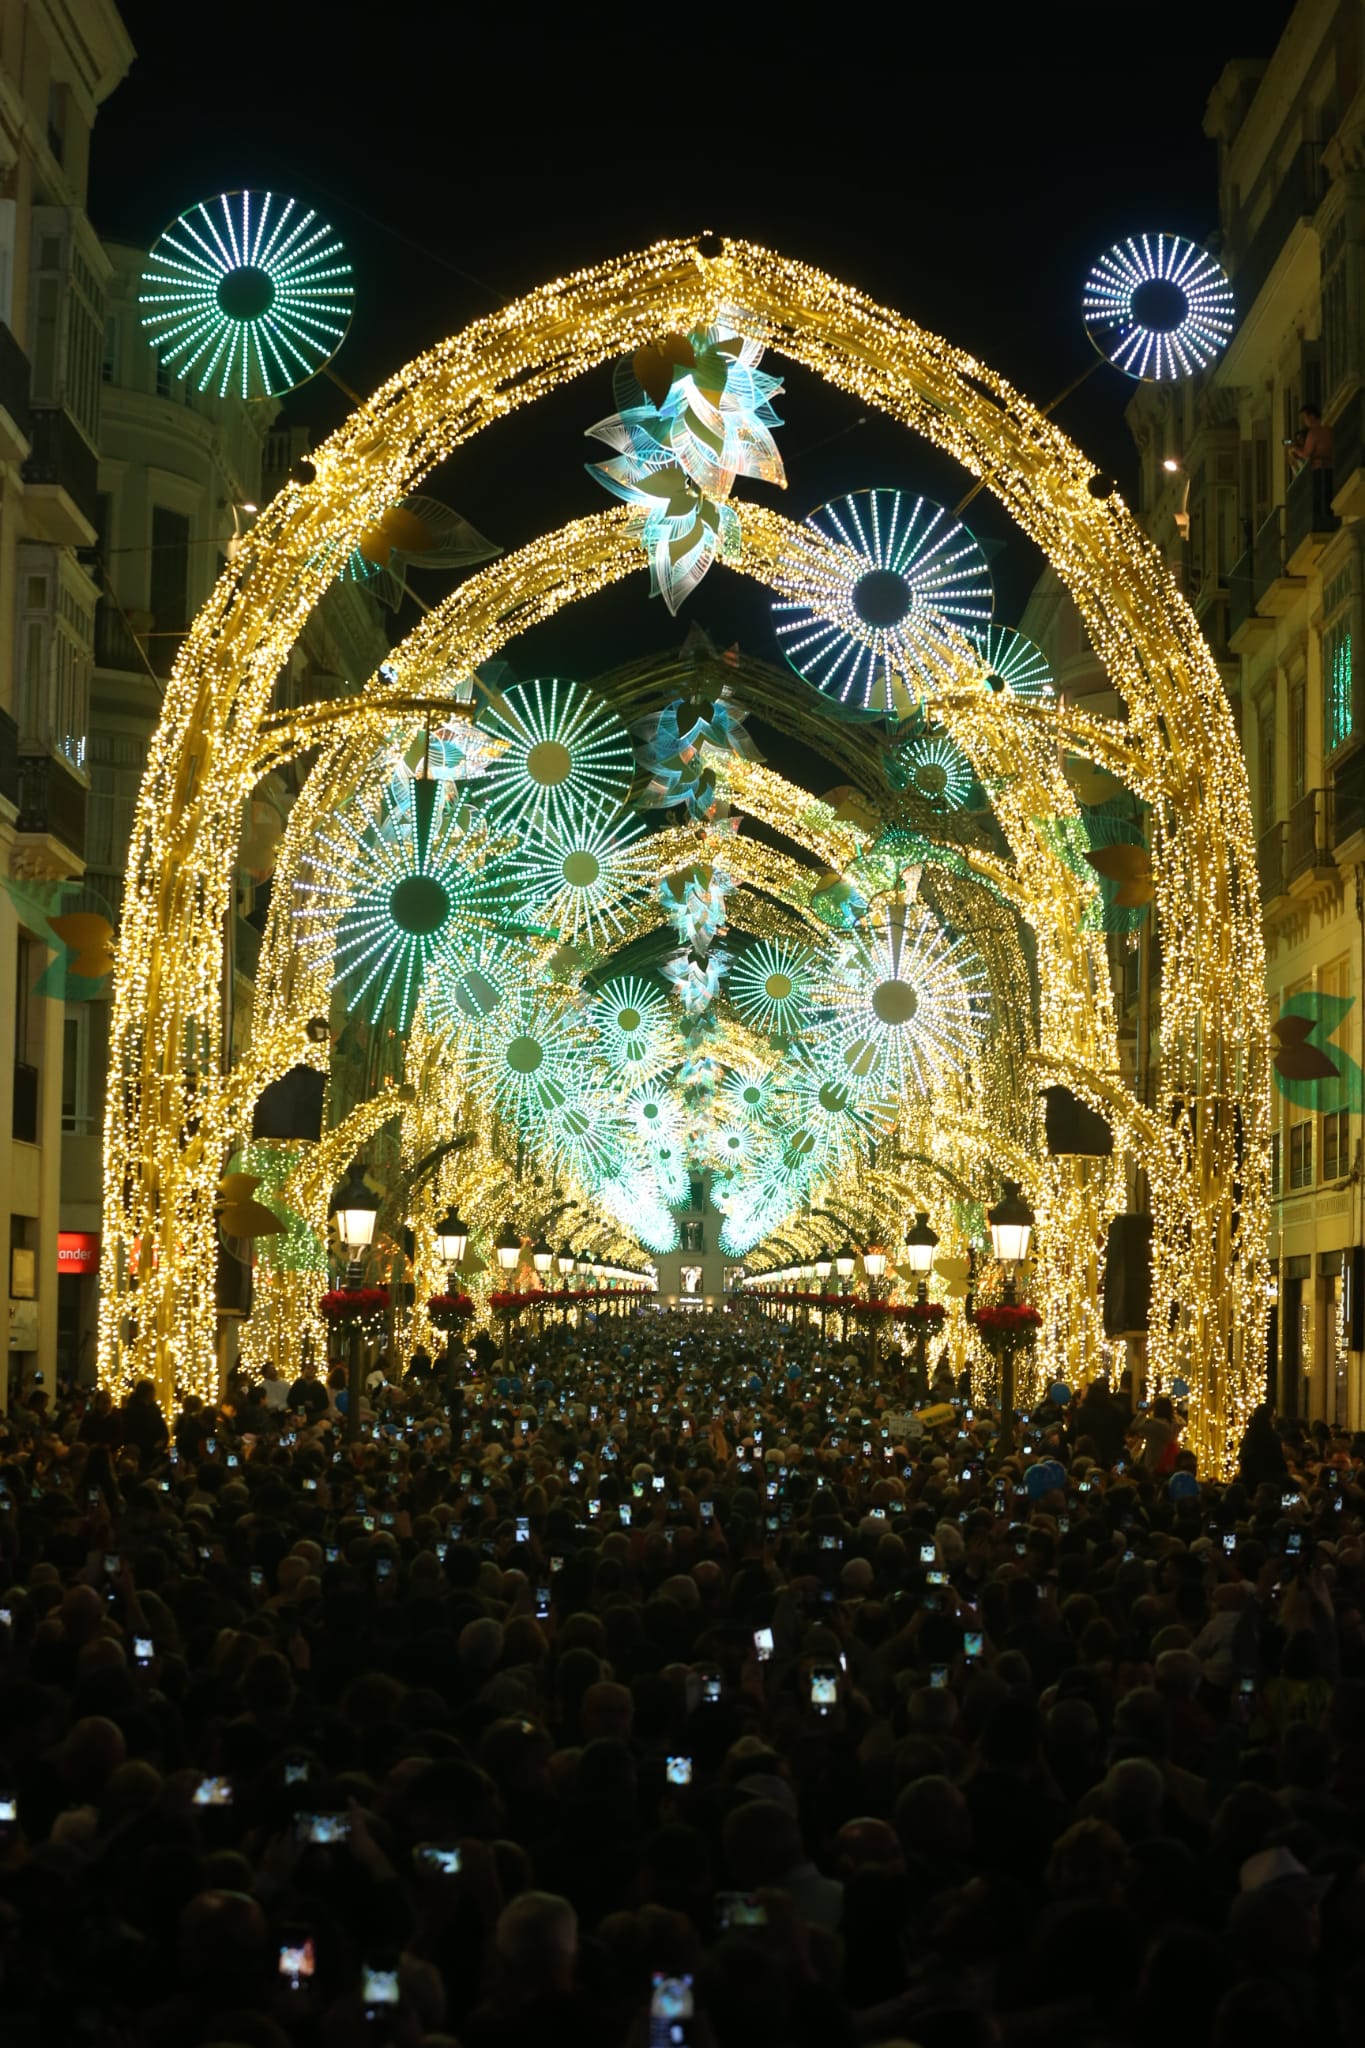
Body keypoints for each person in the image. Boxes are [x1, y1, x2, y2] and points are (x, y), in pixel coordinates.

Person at [1287, 404, 1333, 473]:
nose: (1304, 421)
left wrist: (1295, 449)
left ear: (1312, 416)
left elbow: (1306, 454)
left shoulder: (1313, 433)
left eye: (1305, 418)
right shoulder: (1328, 430)